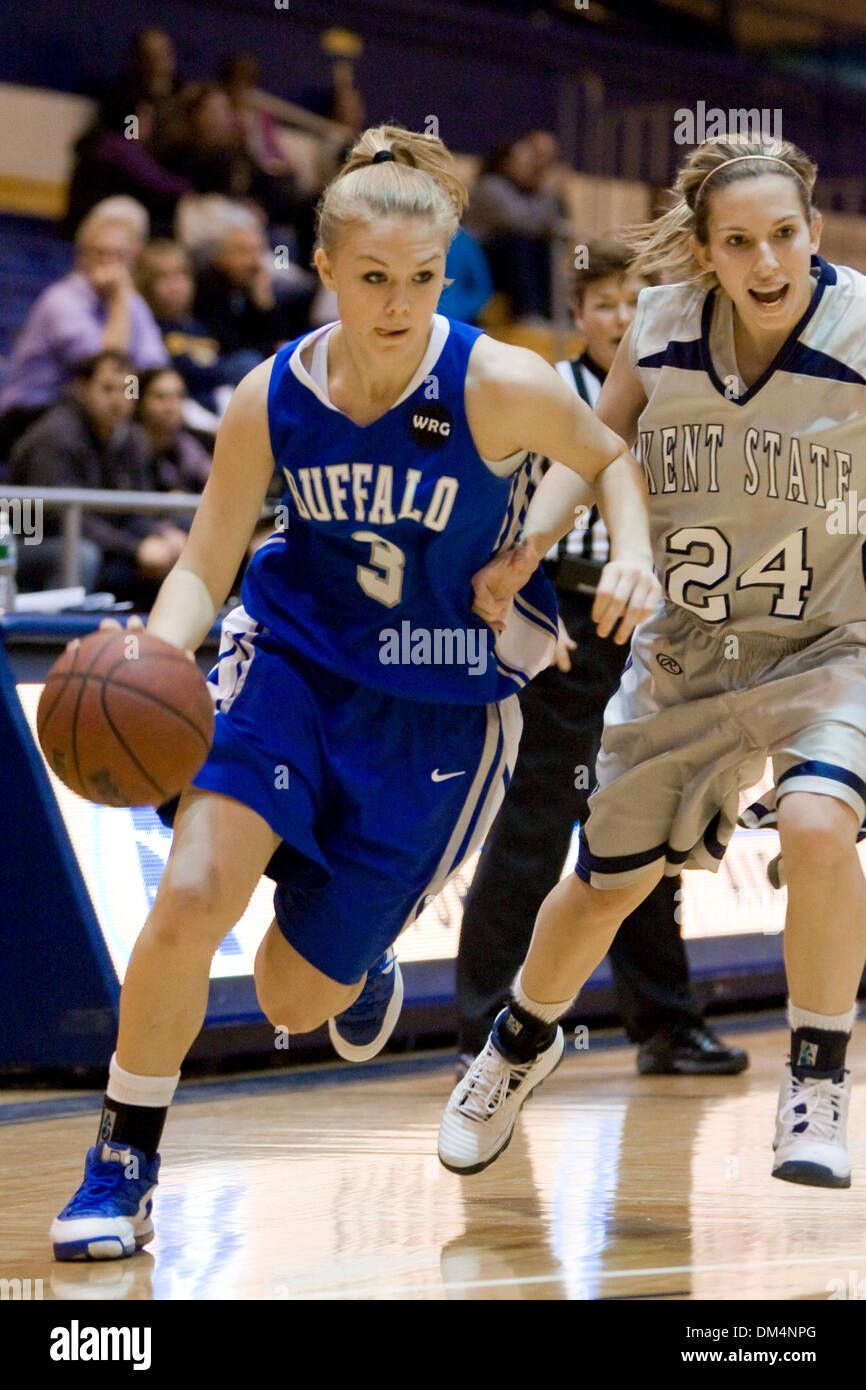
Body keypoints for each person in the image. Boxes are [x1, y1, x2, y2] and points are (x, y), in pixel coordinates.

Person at [49, 123, 659, 1261]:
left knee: (289, 1003)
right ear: (323, 269)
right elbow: (201, 560)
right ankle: (123, 1158)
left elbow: (609, 452)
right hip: (287, 661)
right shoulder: (265, 396)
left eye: (420, 280)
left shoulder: (493, 381)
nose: (397, 302)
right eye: (371, 278)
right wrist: (161, 653)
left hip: (434, 710)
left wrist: (614, 548)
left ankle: (355, 950)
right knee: (189, 893)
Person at [440, 132, 866, 1192]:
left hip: (826, 645)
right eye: (739, 242)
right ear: (703, 251)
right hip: (683, 657)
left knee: (816, 822)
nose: (766, 262)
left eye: (784, 236)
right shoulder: (660, 328)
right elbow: (593, 448)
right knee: (598, 886)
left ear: (813, 233)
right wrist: (529, 546)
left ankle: (815, 1078)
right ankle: (518, 1042)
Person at [454, 239, 747, 1077]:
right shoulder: (549, 393)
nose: (622, 317)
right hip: (567, 612)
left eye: (633, 301)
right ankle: (485, 1027)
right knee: (536, 825)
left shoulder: (679, 392)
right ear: (578, 315)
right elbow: (513, 510)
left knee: (645, 827)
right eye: (605, 304)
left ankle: (664, 1023)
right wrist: (539, 619)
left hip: (651, 617)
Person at [9, 352, 186, 598]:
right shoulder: (56, 436)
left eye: (127, 389)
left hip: (102, 542)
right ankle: (53, 635)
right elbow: (64, 520)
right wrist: (136, 548)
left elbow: (136, 509)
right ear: (82, 389)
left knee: (180, 538)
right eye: (107, 389)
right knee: (83, 555)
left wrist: (160, 534)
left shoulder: (131, 438)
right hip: (27, 542)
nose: (118, 399)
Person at [0, 210, 167, 457]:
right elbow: (107, 364)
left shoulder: (135, 304)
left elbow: (153, 366)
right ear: (82, 257)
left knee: (158, 411)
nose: (109, 263)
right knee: (113, 410)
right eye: (100, 253)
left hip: (97, 410)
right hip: (34, 412)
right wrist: (119, 299)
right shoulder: (60, 300)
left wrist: (131, 399)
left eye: (119, 255)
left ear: (133, 259)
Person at [135, 367, 212, 493]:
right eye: (160, 397)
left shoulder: (193, 443)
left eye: (179, 396)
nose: (171, 406)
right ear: (141, 403)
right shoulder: (126, 446)